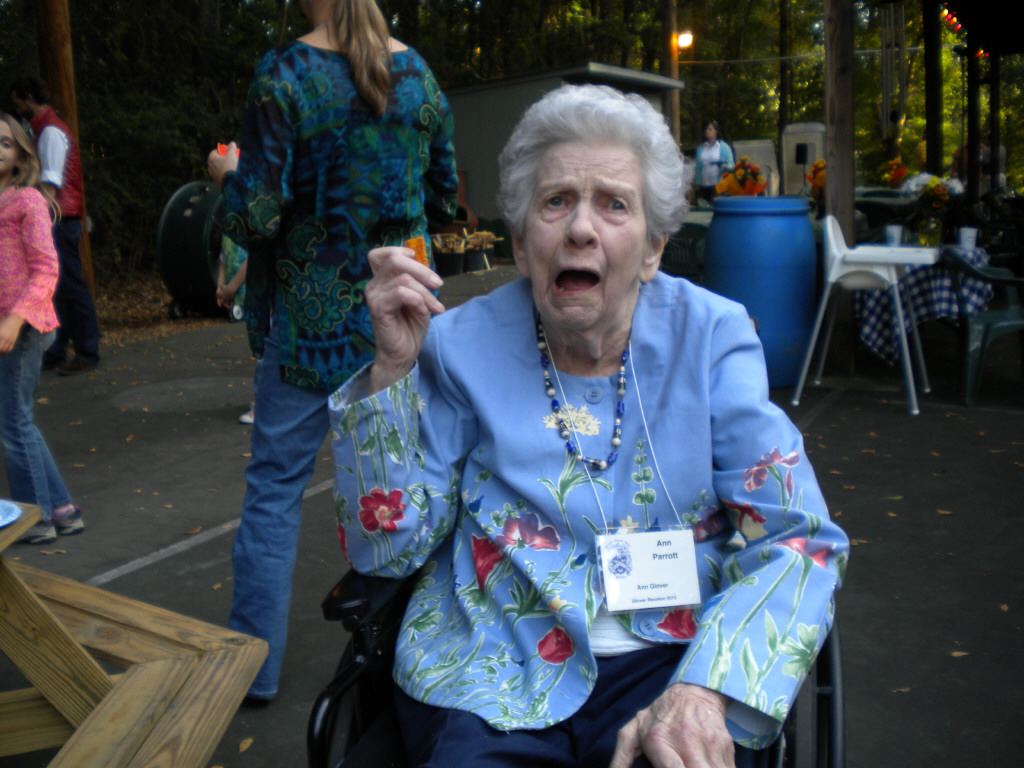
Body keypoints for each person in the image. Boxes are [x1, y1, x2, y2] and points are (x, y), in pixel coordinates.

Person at [330, 85, 848, 768]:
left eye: (614, 204)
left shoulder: (711, 339)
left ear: (654, 248)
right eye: (556, 201)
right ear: (522, 245)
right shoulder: (456, 345)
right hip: (493, 660)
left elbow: (798, 538)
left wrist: (705, 689)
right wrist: (392, 372)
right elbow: (386, 552)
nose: (580, 228)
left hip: (675, 658)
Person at [206, 0, 458, 702]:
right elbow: (444, 194)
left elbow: (257, 215)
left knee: (275, 490)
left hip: (311, 324)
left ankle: (255, 670)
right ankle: (426, 652)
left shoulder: (286, 74)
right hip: (402, 310)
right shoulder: (418, 75)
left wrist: (225, 174)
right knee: (413, 477)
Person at [0, 113, 85, 544]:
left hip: (25, 325)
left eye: (4, 143)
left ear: (20, 156)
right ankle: (62, 509)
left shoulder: (27, 201)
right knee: (17, 420)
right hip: (5, 326)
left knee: (13, 422)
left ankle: (36, 518)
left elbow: (47, 269)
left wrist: (15, 319)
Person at [10, 76, 101, 376]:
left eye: (18, 101)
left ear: (29, 98)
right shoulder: (44, 129)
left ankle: (87, 351)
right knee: (58, 288)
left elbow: (50, 182)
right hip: (59, 216)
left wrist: (39, 220)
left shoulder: (50, 131)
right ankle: (58, 350)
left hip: (59, 218)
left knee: (71, 286)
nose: (17, 108)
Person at [693, 119, 734, 204]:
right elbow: (697, 167)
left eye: (710, 129)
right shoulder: (701, 148)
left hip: (718, 185)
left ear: (716, 131)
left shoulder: (724, 147)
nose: (707, 131)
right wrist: (696, 183)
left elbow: (731, 165)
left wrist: (725, 166)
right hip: (703, 185)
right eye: (706, 129)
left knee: (716, 205)